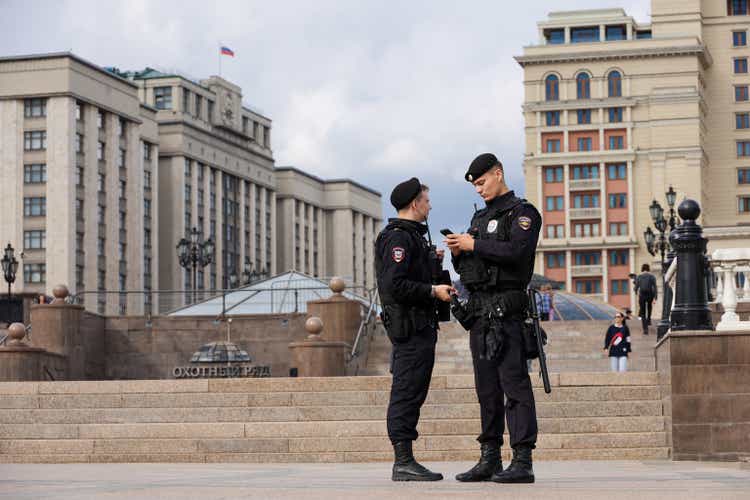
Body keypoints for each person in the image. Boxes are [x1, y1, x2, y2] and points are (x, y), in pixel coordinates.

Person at [445, 153, 541, 484]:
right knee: (486, 388)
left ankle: (523, 459)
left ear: (498, 174)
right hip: (481, 312)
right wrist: (460, 254)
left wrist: (476, 243)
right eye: (475, 186)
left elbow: (516, 252)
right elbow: (472, 270)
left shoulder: (523, 213)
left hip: (508, 310)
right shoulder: (479, 219)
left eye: (482, 182)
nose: (479, 189)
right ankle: (490, 457)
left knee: (514, 385)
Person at [374, 177, 454, 482]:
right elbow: (395, 284)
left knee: (414, 389)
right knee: (407, 391)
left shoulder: (413, 238)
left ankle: (406, 459)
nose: (429, 206)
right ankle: (403, 461)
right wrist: (432, 291)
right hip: (410, 328)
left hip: (420, 326)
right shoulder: (398, 238)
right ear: (414, 204)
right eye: (427, 200)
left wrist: (432, 264)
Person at [634, 264, 657, 335]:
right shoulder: (652, 276)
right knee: (649, 306)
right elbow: (655, 287)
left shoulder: (639, 276)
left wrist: (635, 291)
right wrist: (655, 297)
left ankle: (645, 329)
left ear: (642, 268)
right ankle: (649, 319)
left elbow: (636, 286)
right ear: (648, 268)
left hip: (642, 295)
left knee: (643, 312)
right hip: (650, 294)